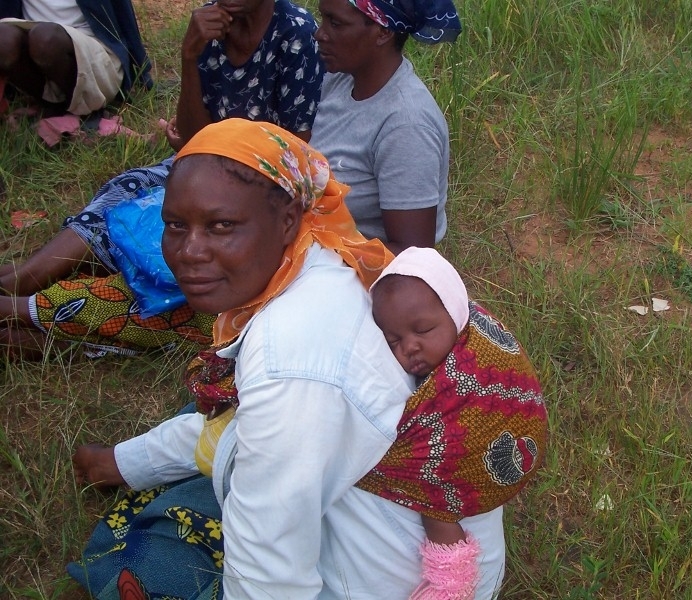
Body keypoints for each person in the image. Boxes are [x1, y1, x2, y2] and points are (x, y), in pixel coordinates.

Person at [69, 118, 507, 599]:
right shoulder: (324, 253)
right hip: (405, 523)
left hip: (400, 583)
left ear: (287, 221)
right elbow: (238, 419)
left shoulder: (289, 362)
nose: (190, 251)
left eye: (221, 225)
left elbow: (269, 574)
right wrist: (125, 463)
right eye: (175, 225)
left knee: (154, 571)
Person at [0, 0, 323, 358]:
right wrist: (190, 54)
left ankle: (35, 310)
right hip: (203, 163)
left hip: (262, 183)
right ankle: (24, 279)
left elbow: (292, 155)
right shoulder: (210, 26)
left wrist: (219, 167)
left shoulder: (295, 33)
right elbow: (192, 140)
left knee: (174, 281)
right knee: (130, 188)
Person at [364, 247, 548, 599]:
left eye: (423, 330)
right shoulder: (429, 362)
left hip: (483, 452)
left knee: (433, 497)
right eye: (393, 340)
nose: (410, 347)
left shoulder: (476, 355)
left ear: (456, 313)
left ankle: (452, 580)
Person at [311, 0, 461, 253]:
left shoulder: (407, 126)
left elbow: (411, 254)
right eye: (323, 19)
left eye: (335, 24)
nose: (320, 34)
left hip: (354, 267)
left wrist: (317, 253)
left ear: (383, 32)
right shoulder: (340, 81)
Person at [0, 0, 152, 116]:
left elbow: (123, 15)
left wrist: (141, 75)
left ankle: (81, 110)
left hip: (92, 47)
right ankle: (48, 103)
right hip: (31, 42)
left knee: (45, 39)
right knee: (3, 38)